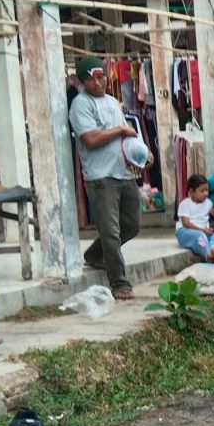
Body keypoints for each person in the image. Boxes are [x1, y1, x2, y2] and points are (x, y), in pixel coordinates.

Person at [69, 55, 152, 300]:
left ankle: (94, 255)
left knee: (133, 224)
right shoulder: (80, 105)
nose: (99, 82)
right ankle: (119, 283)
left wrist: (142, 155)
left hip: (124, 172)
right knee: (111, 230)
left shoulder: (113, 102)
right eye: (92, 79)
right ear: (83, 81)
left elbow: (127, 138)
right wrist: (119, 130)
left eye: (101, 76)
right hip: (101, 176)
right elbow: (91, 140)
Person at [176, 174, 214, 262]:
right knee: (200, 236)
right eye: (202, 191)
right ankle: (208, 255)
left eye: (207, 190)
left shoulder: (208, 203)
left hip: (203, 233)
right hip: (184, 232)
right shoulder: (185, 204)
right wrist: (203, 230)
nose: (205, 193)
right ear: (192, 191)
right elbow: (186, 223)